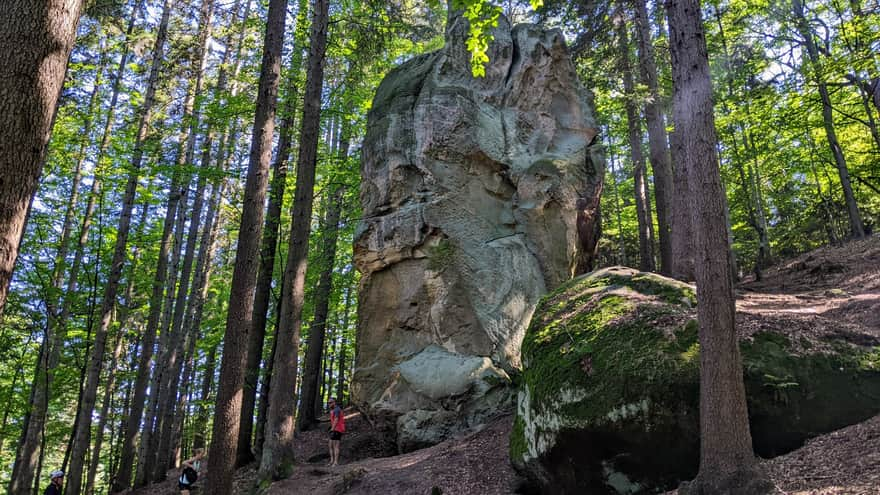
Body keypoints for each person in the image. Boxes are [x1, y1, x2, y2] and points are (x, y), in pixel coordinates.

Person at [328, 397, 345, 466]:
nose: (329, 404)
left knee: (335, 446)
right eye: (328, 403)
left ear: (334, 402)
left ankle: (335, 462)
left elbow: (336, 419)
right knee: (330, 445)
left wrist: (332, 428)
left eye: (331, 402)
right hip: (334, 429)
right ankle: (332, 460)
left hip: (337, 429)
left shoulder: (337, 409)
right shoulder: (333, 410)